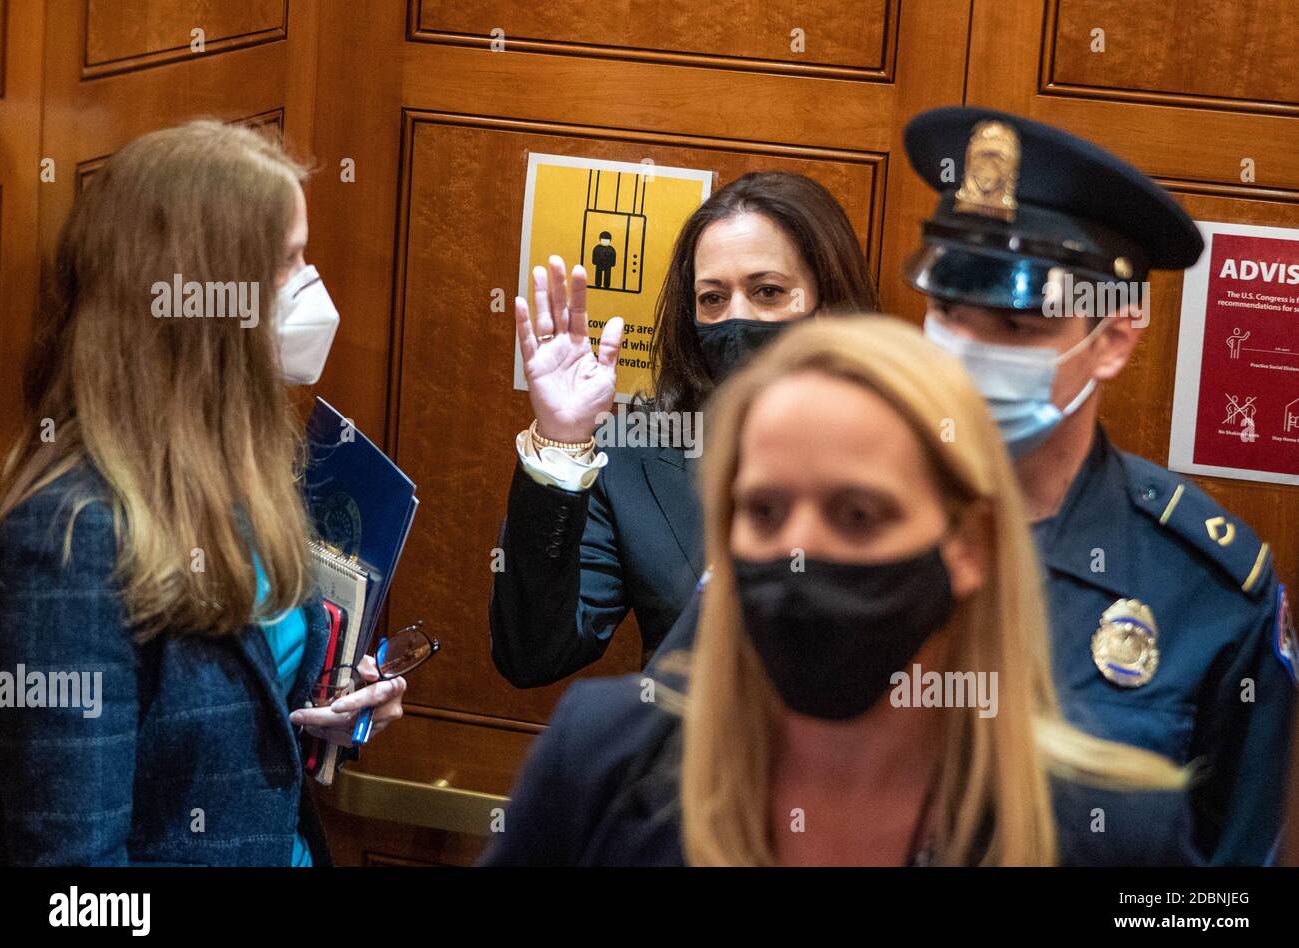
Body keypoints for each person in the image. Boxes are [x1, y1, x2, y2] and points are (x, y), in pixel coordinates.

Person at [653, 107, 1295, 865]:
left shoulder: (1206, 589)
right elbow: (680, 768)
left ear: (1113, 338)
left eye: (1018, 328)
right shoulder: (812, 520)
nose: (968, 353)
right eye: (950, 312)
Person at [480, 318, 1191, 866]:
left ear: (968, 545)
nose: (798, 551)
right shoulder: (603, 758)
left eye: (857, 515)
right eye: (763, 511)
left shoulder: (1116, 824)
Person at [0, 121, 407, 866]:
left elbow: (250, 696)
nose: (313, 286)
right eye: (288, 262)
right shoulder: (69, 535)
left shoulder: (244, 466)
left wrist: (335, 701)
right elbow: (71, 882)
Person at [489, 171, 878, 687]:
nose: (737, 319)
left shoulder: (904, 452)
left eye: (768, 291)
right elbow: (533, 654)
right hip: (688, 757)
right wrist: (561, 438)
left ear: (827, 304)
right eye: (714, 298)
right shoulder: (637, 453)